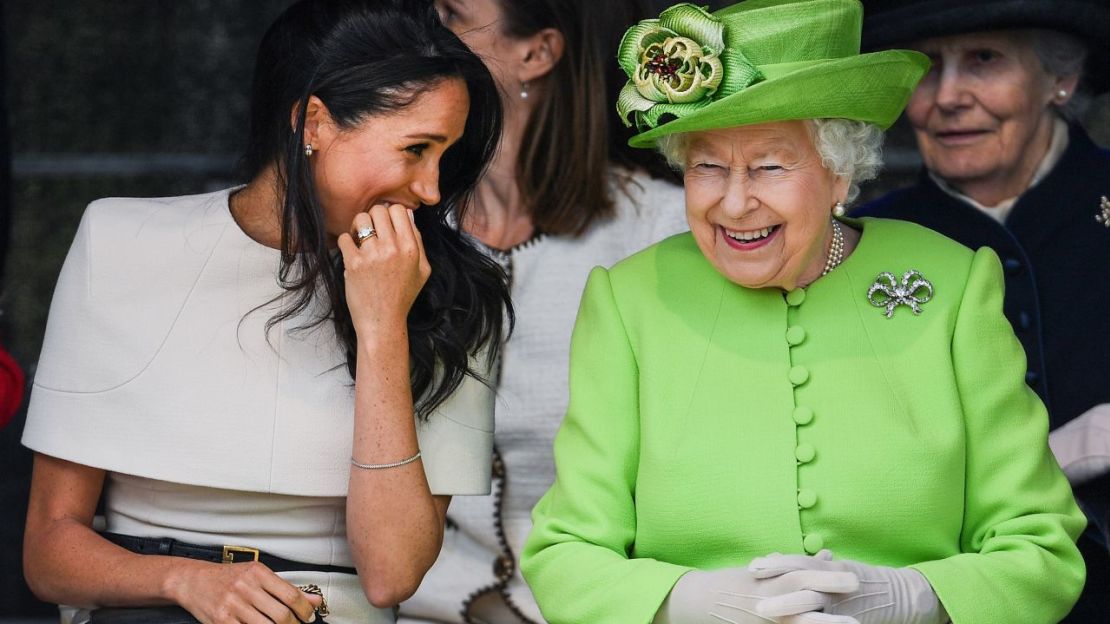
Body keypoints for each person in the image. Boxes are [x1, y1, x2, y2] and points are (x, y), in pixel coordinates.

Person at [521, 1, 1087, 623]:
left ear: (839, 173)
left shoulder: (953, 283)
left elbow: (1042, 546)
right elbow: (564, 552)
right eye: (707, 166)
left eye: (769, 166)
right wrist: (685, 604)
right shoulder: (629, 300)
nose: (735, 203)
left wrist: (917, 600)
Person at [21, 1, 510, 623]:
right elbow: (48, 553)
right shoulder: (119, 242)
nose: (433, 190)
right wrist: (186, 582)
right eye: (415, 149)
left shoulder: (455, 289)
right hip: (148, 604)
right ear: (313, 123)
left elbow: (391, 573)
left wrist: (383, 325)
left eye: (446, 154)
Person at [397, 1, 687, 622]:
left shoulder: (661, 229)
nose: (421, 32)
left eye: (450, 15)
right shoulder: (405, 221)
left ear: (538, 51)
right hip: (416, 605)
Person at [854, 1, 1110, 619]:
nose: (947, 96)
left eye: (984, 60)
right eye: (926, 67)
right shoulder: (864, 240)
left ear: (1060, 79)